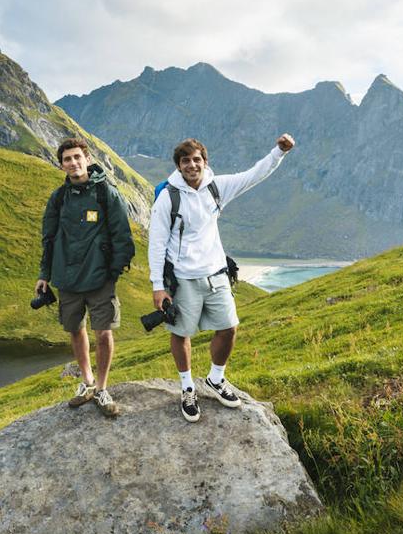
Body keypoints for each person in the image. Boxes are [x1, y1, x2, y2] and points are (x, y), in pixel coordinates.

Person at [148, 134, 295, 421]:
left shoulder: (217, 187)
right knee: (181, 333)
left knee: (228, 328)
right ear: (178, 166)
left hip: (216, 275)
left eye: (197, 160)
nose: (192, 165)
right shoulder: (168, 197)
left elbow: (254, 175)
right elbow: (156, 242)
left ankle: (216, 379)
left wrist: (279, 151)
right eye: (186, 161)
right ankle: (187, 387)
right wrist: (158, 286)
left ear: (205, 162)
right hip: (183, 278)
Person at [37, 137, 135, 417]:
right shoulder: (58, 198)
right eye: (67, 159)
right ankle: (87, 382)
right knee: (75, 330)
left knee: (103, 333)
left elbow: (123, 238)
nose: (73, 163)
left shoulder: (107, 194)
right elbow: (49, 237)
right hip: (67, 279)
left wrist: (111, 273)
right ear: (62, 165)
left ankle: (102, 389)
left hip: (100, 279)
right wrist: (45, 274)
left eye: (77, 157)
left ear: (87, 159)